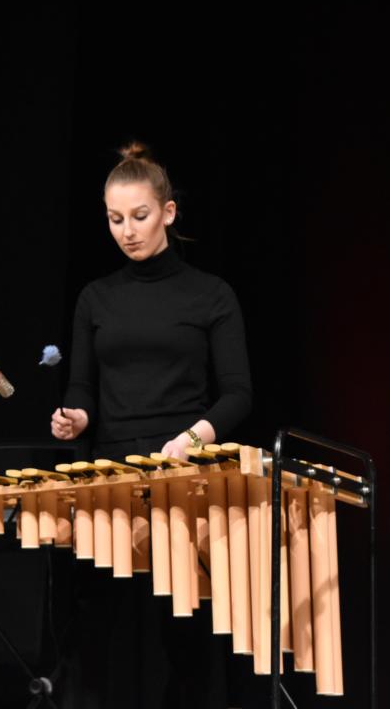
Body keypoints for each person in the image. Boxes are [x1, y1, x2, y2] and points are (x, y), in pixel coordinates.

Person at [49, 142, 252, 709]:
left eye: (139, 216)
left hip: (182, 473)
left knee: (186, 634)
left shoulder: (211, 294)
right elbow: (83, 386)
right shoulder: (95, 298)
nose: (127, 231)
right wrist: (77, 416)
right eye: (115, 219)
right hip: (109, 475)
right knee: (93, 629)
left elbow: (238, 394)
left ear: (168, 211)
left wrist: (191, 439)